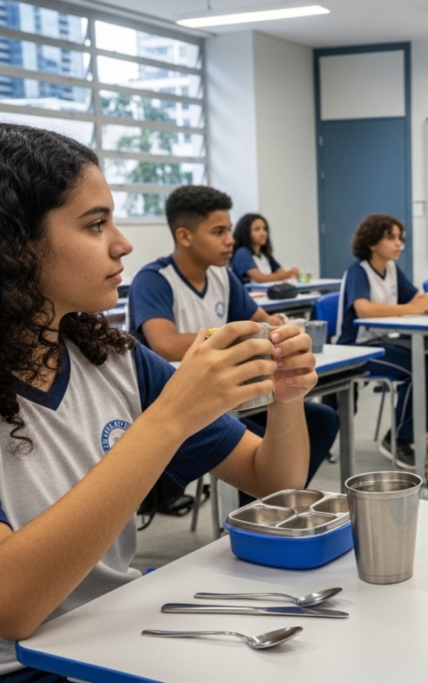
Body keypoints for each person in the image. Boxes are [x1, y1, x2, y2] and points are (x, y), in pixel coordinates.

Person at [0, 124, 316, 679]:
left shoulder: (113, 359)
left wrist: (286, 397)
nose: (122, 243)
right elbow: (15, 607)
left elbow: (274, 481)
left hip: (113, 635)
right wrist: (171, 418)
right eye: (95, 224)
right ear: (17, 245)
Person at [127, 186, 338, 503]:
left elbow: (263, 322)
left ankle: (268, 508)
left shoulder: (223, 277)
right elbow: (165, 345)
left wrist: (282, 332)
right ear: (184, 236)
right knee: (257, 438)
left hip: (233, 394)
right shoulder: (154, 279)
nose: (230, 240)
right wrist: (238, 338)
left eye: (229, 230)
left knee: (322, 419)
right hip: (186, 401)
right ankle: (252, 511)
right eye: (219, 232)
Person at [338, 213, 428, 470]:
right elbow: (364, 309)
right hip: (356, 348)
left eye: (400, 238)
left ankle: (421, 434)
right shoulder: (358, 270)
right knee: (419, 370)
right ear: (372, 243)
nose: (399, 243)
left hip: (385, 342)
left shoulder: (391, 269)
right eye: (391, 238)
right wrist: (413, 308)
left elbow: (416, 298)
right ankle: (399, 438)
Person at [229, 212, 300, 284]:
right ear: (246, 233)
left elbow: (281, 272)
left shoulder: (264, 255)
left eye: (265, 229)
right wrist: (288, 274)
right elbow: (260, 278)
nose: (263, 233)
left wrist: (290, 274)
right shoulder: (242, 253)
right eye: (257, 229)